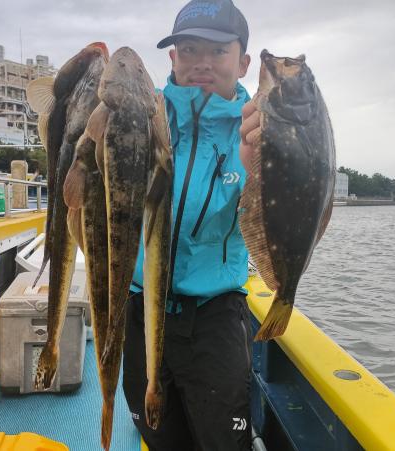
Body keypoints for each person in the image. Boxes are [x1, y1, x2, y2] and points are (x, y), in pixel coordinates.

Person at [122, 1, 260, 449]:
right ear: (172, 58)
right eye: (189, 49)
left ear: (243, 62)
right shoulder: (141, 115)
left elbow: (278, 220)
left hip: (215, 314)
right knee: (157, 434)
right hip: (142, 307)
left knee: (224, 440)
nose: (202, 62)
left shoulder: (257, 130)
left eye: (218, 51)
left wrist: (261, 166)